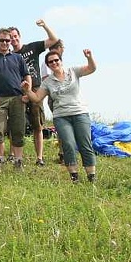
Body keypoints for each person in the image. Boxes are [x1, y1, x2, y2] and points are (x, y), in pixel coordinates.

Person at [24, 49, 97, 183]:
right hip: (61, 116)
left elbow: (92, 68)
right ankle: (74, 177)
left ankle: (91, 177)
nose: (54, 63)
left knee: (85, 144)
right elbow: (36, 98)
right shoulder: (47, 82)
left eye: (56, 60)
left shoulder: (73, 71)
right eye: (50, 62)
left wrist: (89, 57)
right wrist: (27, 90)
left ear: (61, 61)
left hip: (80, 112)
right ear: (48, 65)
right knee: (68, 144)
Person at [0, 28, 31, 170]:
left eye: (7, 40)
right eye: (1, 40)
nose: (4, 43)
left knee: (18, 130)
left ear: (10, 41)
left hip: (17, 98)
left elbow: (27, 76)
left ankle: (18, 161)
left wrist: (27, 93)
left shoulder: (18, 58)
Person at [10, 19, 60, 166]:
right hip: (18, 92)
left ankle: (39, 158)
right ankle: (13, 155)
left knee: (37, 125)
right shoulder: (10, 56)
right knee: (15, 125)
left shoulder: (32, 47)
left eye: (15, 36)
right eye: (10, 37)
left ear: (19, 36)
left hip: (37, 90)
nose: (13, 39)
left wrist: (44, 26)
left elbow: (53, 40)